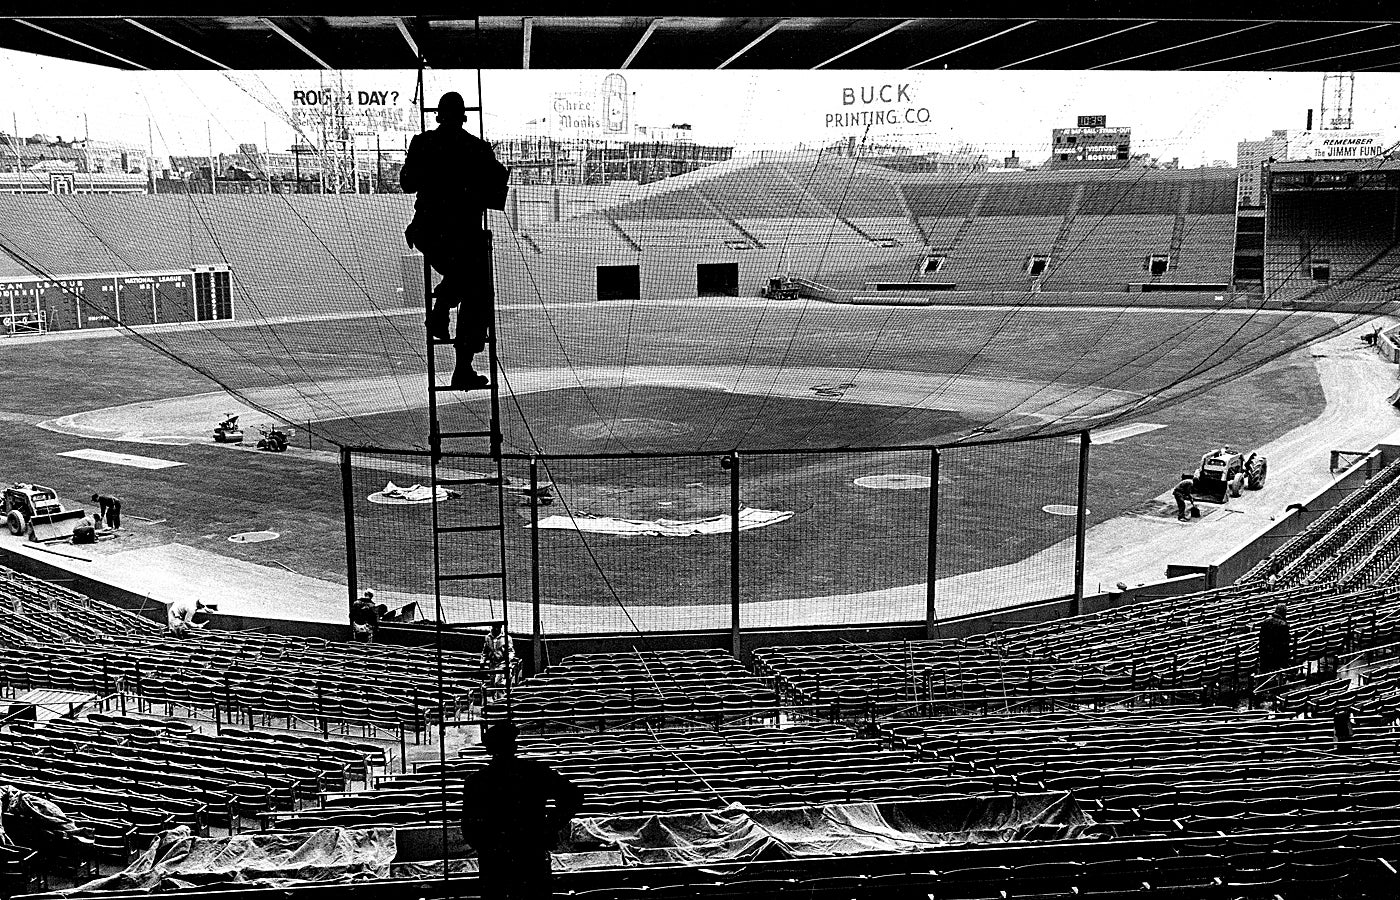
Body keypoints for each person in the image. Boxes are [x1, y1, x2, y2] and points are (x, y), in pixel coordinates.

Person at [400, 90, 510, 392]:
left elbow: (407, 184)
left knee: (467, 279)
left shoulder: (422, 143)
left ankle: (442, 307)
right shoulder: (477, 148)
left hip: (429, 234)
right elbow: (496, 191)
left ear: (438, 116)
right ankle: (462, 364)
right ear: (464, 117)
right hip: (464, 239)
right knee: (479, 292)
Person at [461, 721, 583, 900]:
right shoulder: (536, 772)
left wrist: (489, 846)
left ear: (489, 749)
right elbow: (573, 797)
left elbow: (469, 827)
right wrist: (550, 826)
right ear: (515, 746)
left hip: (495, 863)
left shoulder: (476, 782)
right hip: (531, 855)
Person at [1257, 605, 1292, 676]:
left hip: (1264, 652)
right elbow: (1285, 643)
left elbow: (1261, 638)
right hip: (1276, 655)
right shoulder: (1283, 625)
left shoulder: (1265, 621)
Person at [482, 622, 514, 689]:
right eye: (494, 627)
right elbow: (485, 651)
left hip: (502, 663)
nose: (496, 629)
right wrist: (483, 660)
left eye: (497, 627)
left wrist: (508, 659)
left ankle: (501, 699)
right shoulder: (488, 638)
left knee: (498, 683)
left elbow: (511, 652)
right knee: (492, 683)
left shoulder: (507, 638)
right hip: (492, 664)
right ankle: (494, 698)